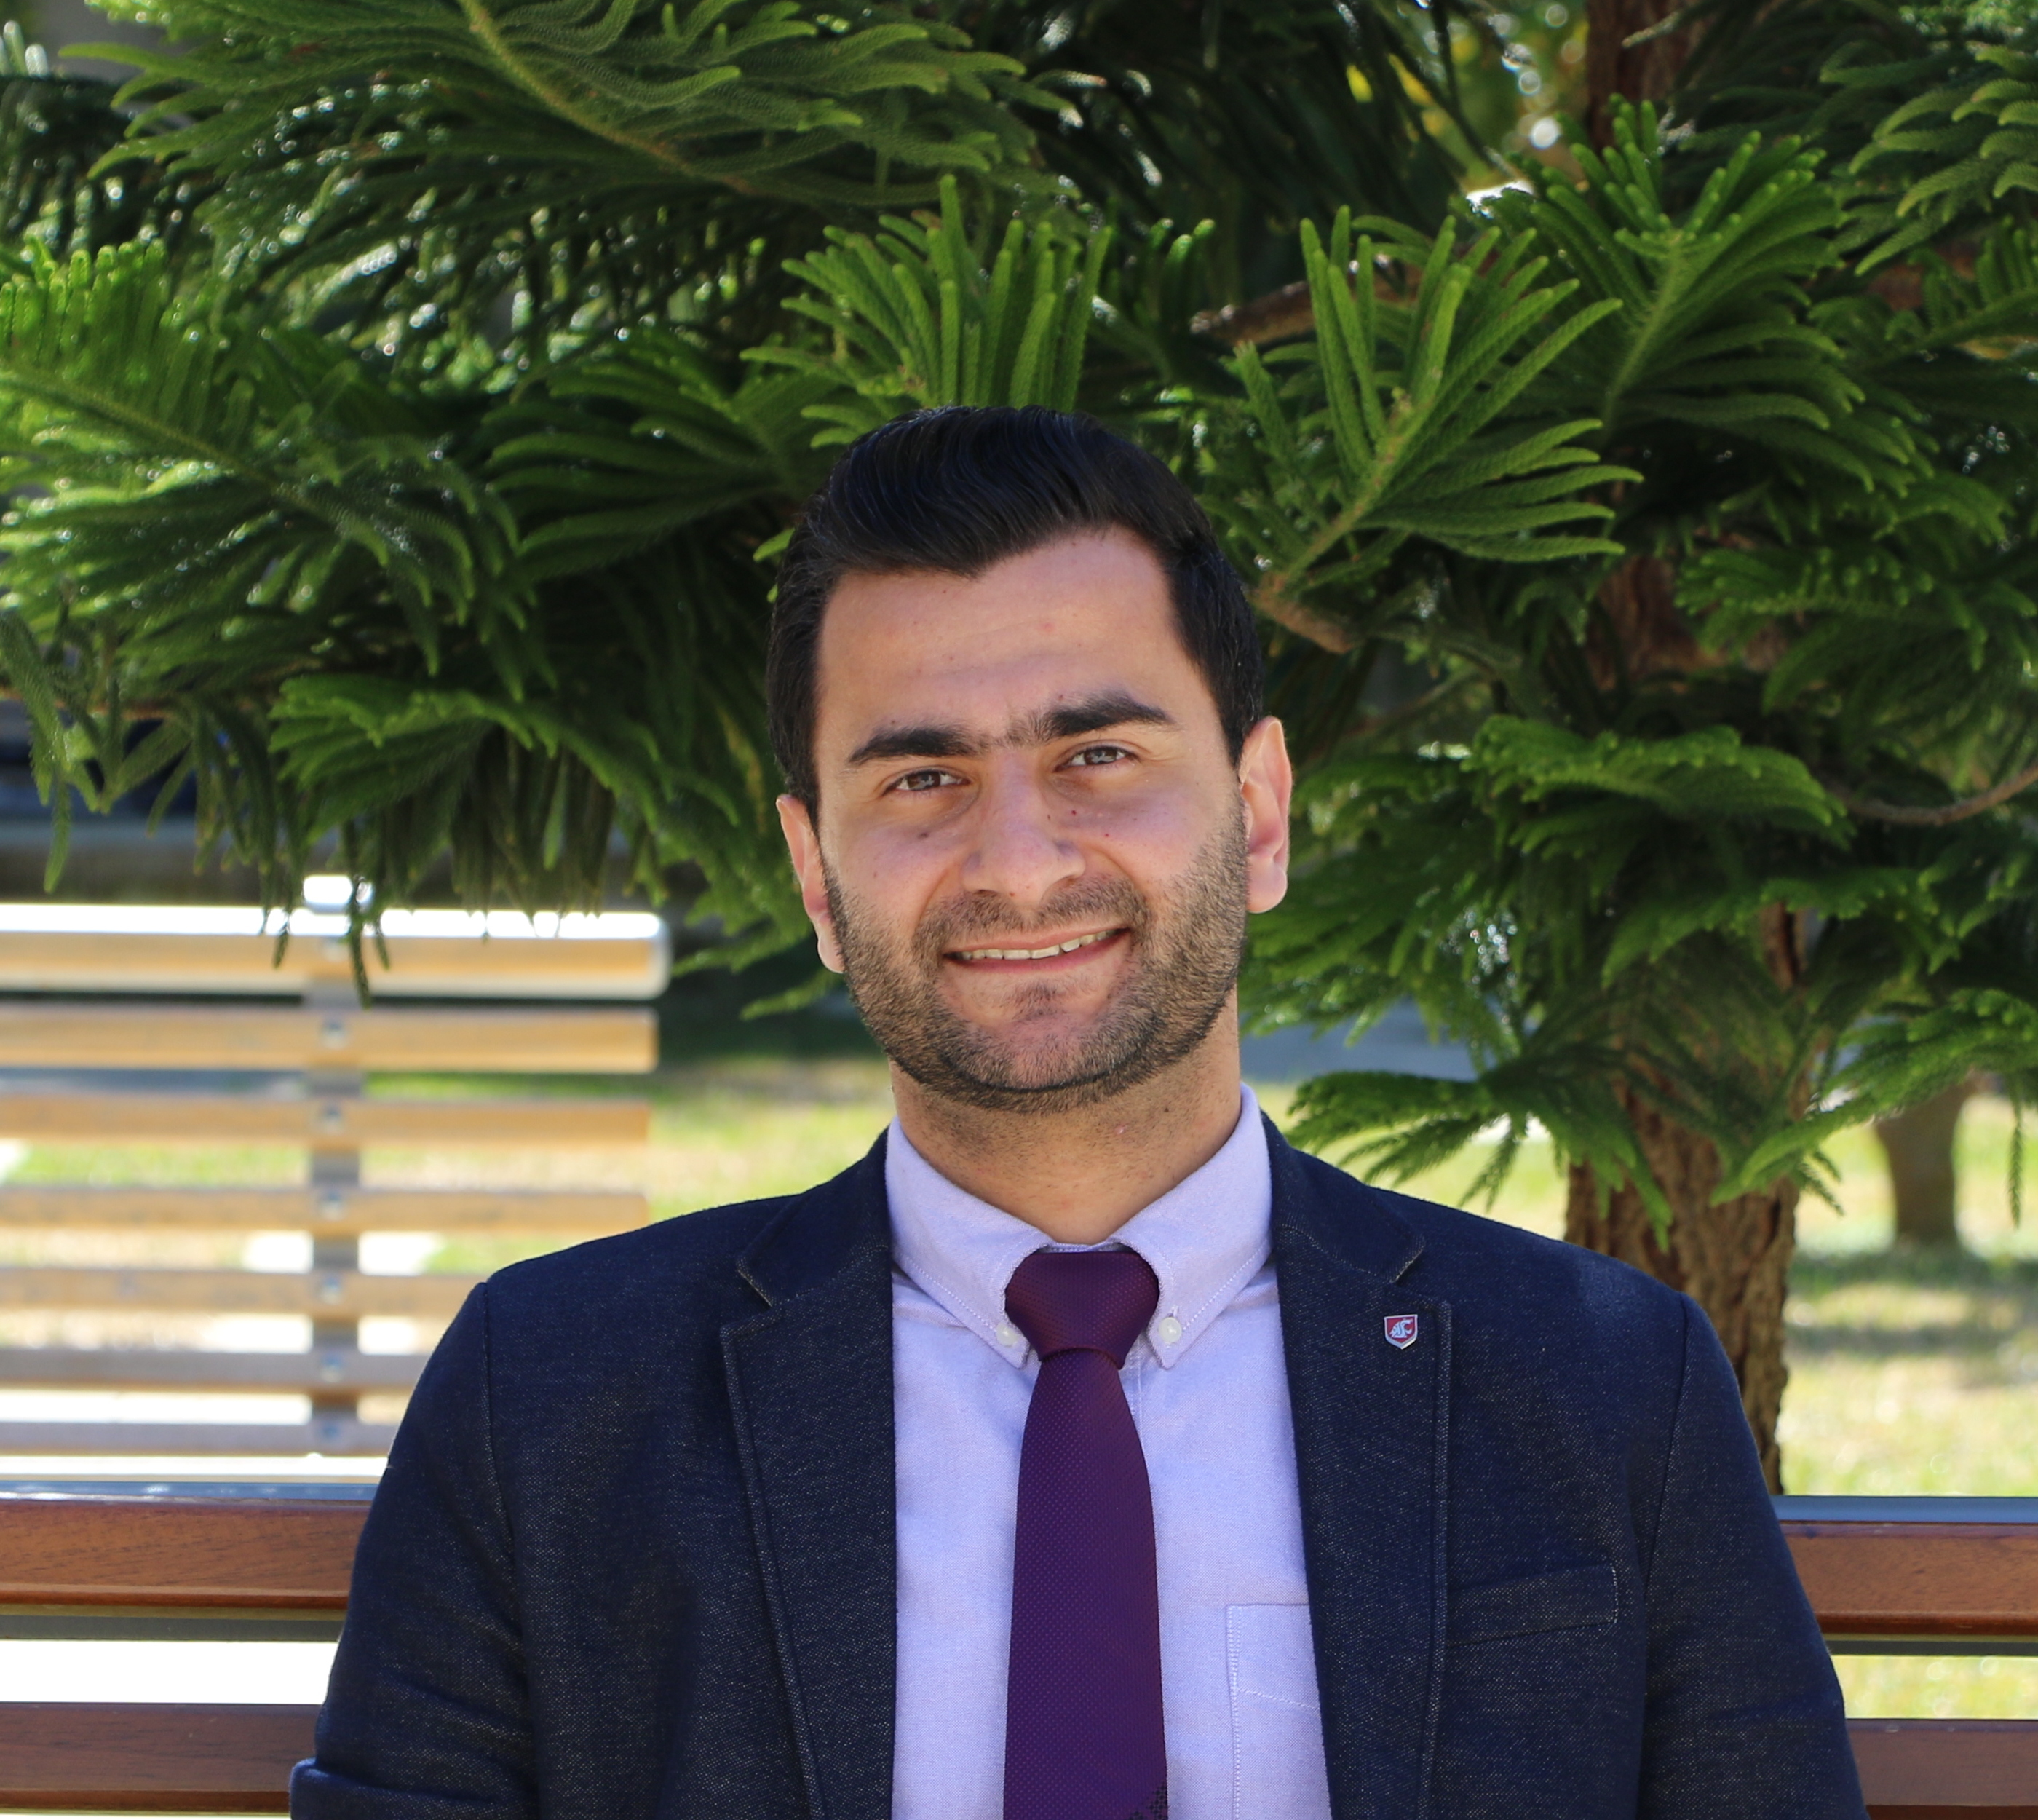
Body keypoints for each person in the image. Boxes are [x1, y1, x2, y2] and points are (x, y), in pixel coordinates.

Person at [293, 406, 1864, 1820]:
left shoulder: (1601, 1389)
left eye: (1095, 753)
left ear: (1255, 816)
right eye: (920, 780)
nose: (1017, 858)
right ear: (812, 873)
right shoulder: (552, 1400)